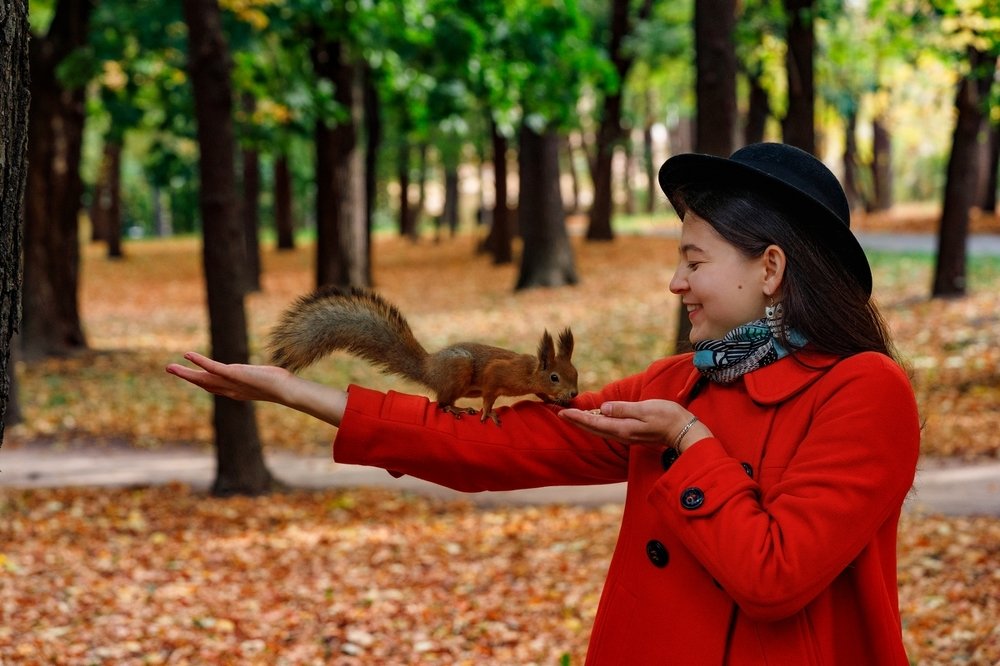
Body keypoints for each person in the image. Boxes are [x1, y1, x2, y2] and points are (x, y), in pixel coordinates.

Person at [167, 142, 920, 665]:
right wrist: (300, 394)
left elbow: (774, 577)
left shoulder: (863, 392)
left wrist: (690, 443)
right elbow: (501, 446)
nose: (676, 283)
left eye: (694, 261)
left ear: (771, 268)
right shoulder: (675, 384)